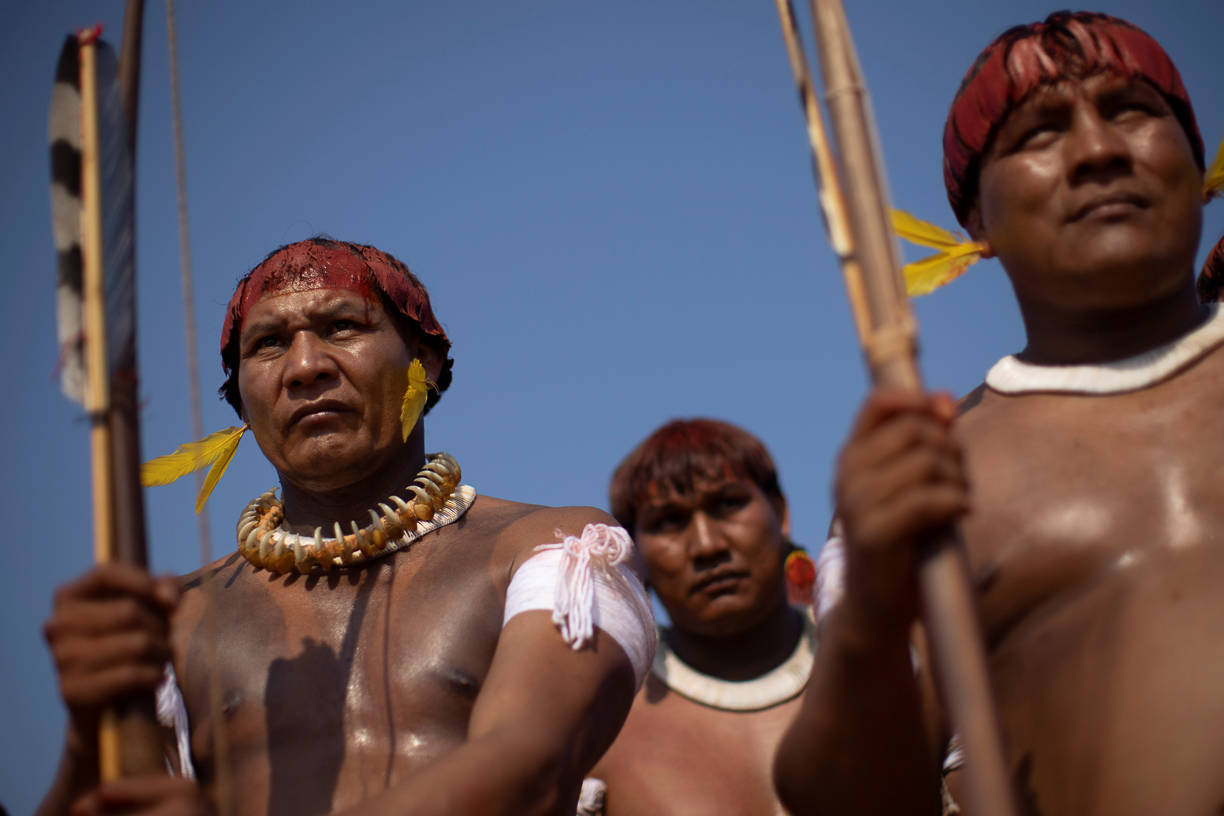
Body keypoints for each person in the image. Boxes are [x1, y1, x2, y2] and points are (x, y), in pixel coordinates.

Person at [773, 11, 1223, 816]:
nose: (1098, 151)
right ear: (975, 222)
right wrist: (875, 606)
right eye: (1039, 134)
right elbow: (842, 800)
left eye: (1131, 110)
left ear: (1196, 156)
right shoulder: (935, 477)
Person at [39, 237, 655, 816]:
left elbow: (529, 768)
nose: (306, 367)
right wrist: (85, 739)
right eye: (269, 344)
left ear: (426, 362)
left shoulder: (551, 551)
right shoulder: (171, 619)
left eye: (341, 327)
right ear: (240, 405)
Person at [582, 418, 820, 815]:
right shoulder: (599, 723)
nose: (707, 546)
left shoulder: (887, 665)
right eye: (669, 522)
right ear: (635, 557)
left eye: (728, 505)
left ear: (780, 515)